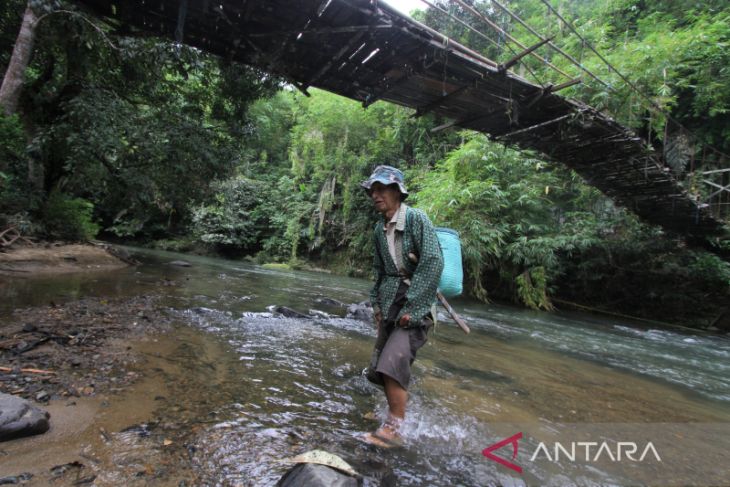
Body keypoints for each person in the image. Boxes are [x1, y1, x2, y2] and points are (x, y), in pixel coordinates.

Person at [360, 165, 443, 447]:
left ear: (397, 192)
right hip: (390, 304)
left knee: (392, 361)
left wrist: (415, 309)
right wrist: (377, 305)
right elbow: (380, 270)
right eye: (372, 190)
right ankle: (392, 414)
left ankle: (395, 427)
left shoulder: (417, 219)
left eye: (381, 189)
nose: (375, 195)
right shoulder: (378, 229)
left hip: (415, 306)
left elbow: (432, 263)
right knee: (379, 367)